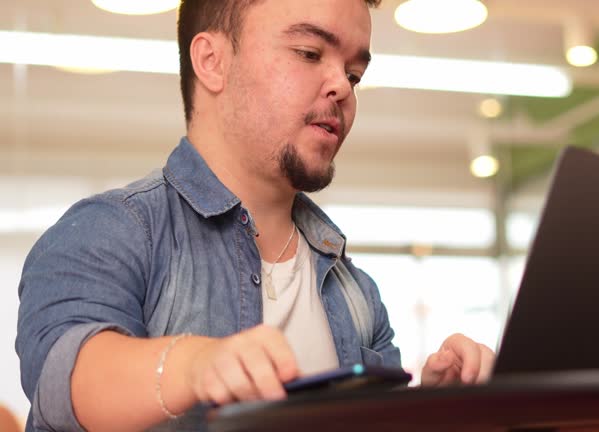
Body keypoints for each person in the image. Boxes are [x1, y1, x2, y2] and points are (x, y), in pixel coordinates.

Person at [15, 0, 496, 431]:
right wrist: (196, 365)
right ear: (212, 61)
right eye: (310, 53)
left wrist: (435, 409)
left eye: (353, 74)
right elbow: (66, 379)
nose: (342, 89)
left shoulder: (356, 291)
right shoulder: (113, 231)